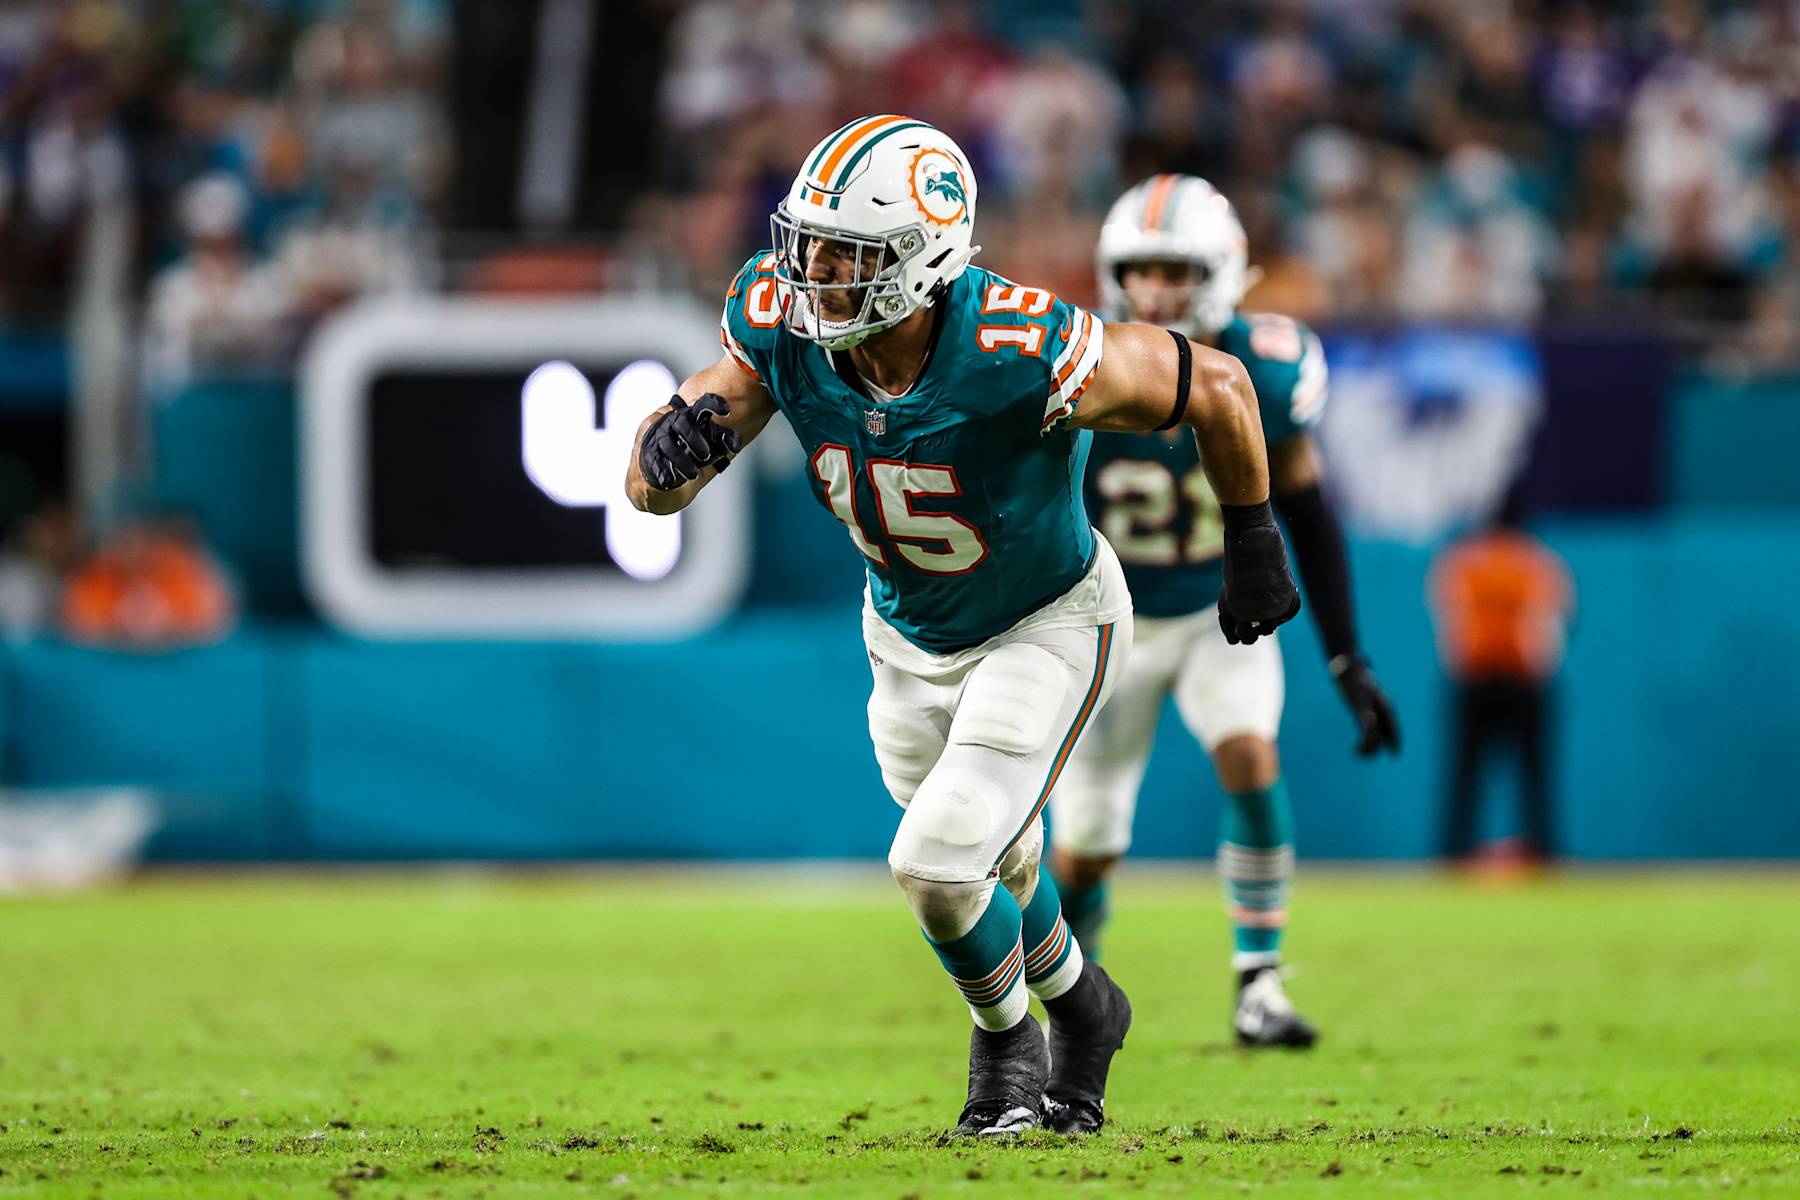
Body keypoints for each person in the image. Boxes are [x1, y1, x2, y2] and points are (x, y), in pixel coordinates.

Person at [625, 118, 1300, 1135]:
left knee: (938, 865)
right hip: (902, 637)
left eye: (846, 255)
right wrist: (664, 452)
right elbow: (656, 483)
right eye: (807, 244)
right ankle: (1087, 1011)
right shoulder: (777, 319)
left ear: (923, 258)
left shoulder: (1015, 345)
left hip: (1047, 622)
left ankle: (1008, 1051)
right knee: (1008, 867)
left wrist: (1254, 543)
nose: (814, 273)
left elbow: (1221, 384)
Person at [1049, 175, 1401, 1050]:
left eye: (1175, 271)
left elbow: (1312, 517)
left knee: (1249, 751)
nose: (1155, 291)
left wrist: (1345, 657)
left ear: (1221, 272)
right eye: (1139, 271)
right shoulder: (1080, 363)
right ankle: (1072, 1002)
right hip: (1108, 618)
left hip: (1222, 614)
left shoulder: (1266, 368)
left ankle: (1261, 982)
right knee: (1086, 844)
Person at [1428, 496, 1574, 864]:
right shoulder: (1538, 562)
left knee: (1465, 776)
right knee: (1535, 775)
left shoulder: (1463, 561)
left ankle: (1453, 854)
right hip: (1525, 682)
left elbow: (1450, 622)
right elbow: (1553, 623)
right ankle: (1545, 852)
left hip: (1476, 680)